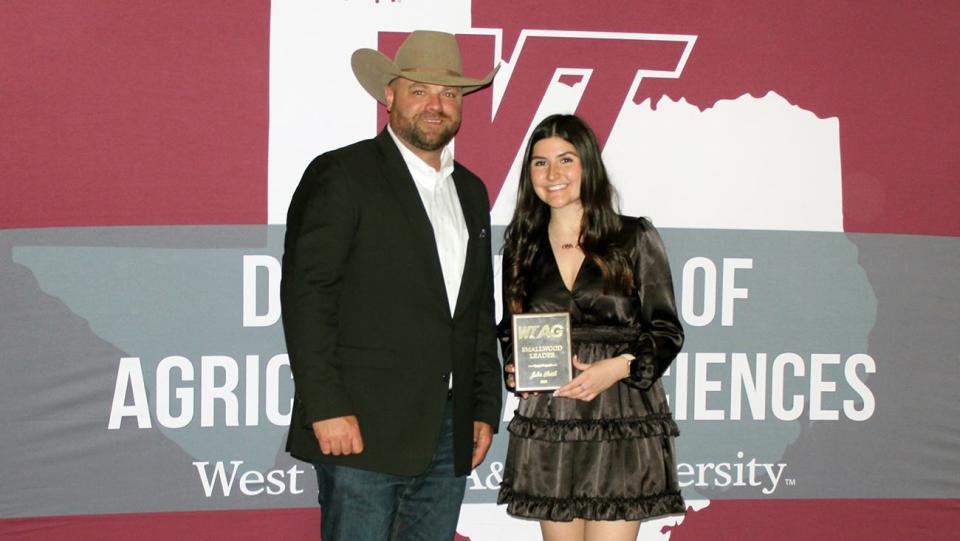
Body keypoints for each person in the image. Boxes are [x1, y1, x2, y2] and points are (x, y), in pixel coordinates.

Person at [280, 30, 503, 541]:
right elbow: (307, 298)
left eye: (449, 93)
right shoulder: (342, 174)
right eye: (419, 90)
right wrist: (327, 406)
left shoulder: (470, 190)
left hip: (449, 433)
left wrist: (483, 408)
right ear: (389, 96)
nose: (435, 104)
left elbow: (474, 311)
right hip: (361, 427)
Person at [497, 114, 686, 541]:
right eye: (540, 163)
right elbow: (511, 326)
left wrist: (619, 367)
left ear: (588, 166)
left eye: (566, 160)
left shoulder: (634, 236)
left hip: (621, 411)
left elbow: (665, 329)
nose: (553, 174)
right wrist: (515, 367)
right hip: (554, 414)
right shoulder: (521, 247)